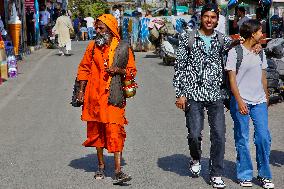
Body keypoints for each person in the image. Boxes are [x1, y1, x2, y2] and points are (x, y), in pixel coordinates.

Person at [173, 3, 232, 188]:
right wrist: (181, 93)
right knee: (194, 134)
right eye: (206, 16)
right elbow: (180, 67)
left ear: (217, 20)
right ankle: (196, 158)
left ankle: (216, 173)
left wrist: (254, 47)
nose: (209, 20)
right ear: (201, 17)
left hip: (216, 94)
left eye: (213, 17)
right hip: (193, 94)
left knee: (219, 136)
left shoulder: (223, 40)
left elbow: (240, 50)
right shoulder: (187, 38)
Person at [76, 14, 137, 184]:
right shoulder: (92, 46)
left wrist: (118, 69)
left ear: (110, 30)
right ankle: (101, 166)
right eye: (96, 28)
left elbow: (132, 70)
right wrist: (80, 91)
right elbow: (84, 69)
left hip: (113, 96)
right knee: (97, 132)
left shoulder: (123, 48)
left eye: (101, 28)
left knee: (115, 130)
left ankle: (118, 171)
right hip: (93, 97)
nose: (97, 31)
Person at [225, 19, 274, 189]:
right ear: (253, 34)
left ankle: (264, 175)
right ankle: (245, 174)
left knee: (263, 138)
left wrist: (266, 97)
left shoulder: (260, 52)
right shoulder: (235, 52)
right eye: (260, 31)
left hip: (259, 100)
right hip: (241, 100)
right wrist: (239, 101)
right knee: (243, 138)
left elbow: (263, 77)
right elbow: (232, 79)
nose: (262, 34)